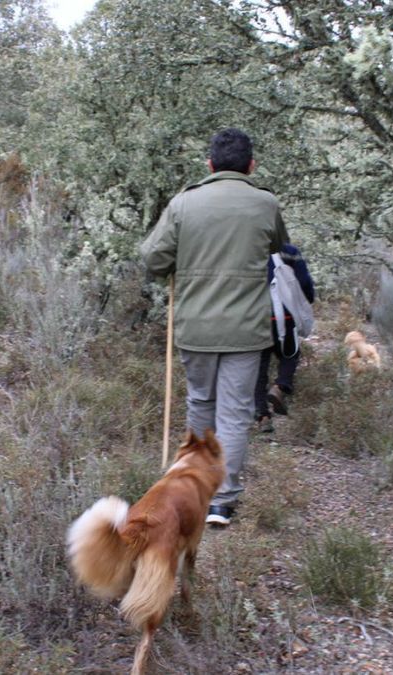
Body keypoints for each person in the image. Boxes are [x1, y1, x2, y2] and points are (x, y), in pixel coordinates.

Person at [140, 128, 288, 527]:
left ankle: (195, 490)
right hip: (246, 330)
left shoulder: (184, 203)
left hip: (197, 326)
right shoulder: (265, 203)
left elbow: (153, 259)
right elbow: (277, 246)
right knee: (236, 414)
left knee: (201, 403)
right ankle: (222, 502)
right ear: (251, 166)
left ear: (209, 165)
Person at [254, 243, 315, 433]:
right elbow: (304, 282)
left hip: (255, 319)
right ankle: (280, 386)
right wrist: (306, 301)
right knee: (290, 354)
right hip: (284, 317)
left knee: (259, 369)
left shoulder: (246, 248)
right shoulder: (289, 251)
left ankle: (263, 416)